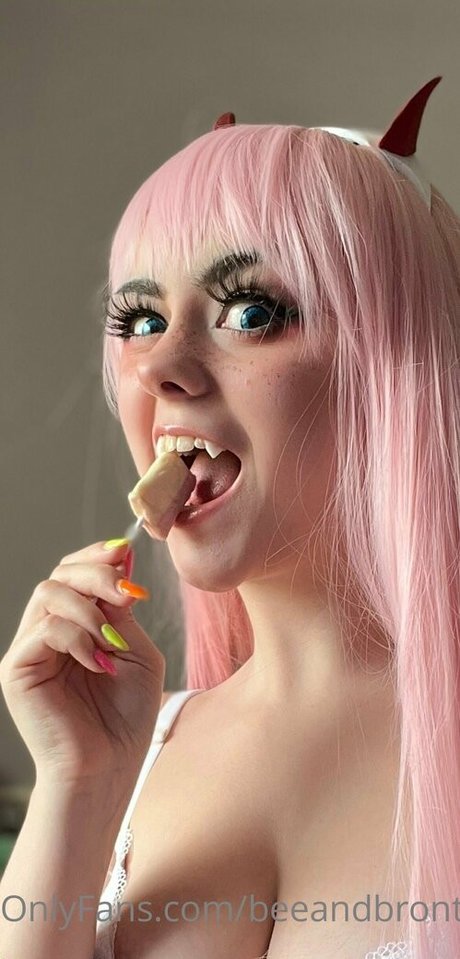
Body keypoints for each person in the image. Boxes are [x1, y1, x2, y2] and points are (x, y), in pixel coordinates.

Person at [0, 76, 458, 959]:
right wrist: (78, 785)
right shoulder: (127, 751)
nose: (158, 366)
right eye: (141, 318)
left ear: (395, 368)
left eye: (252, 312)